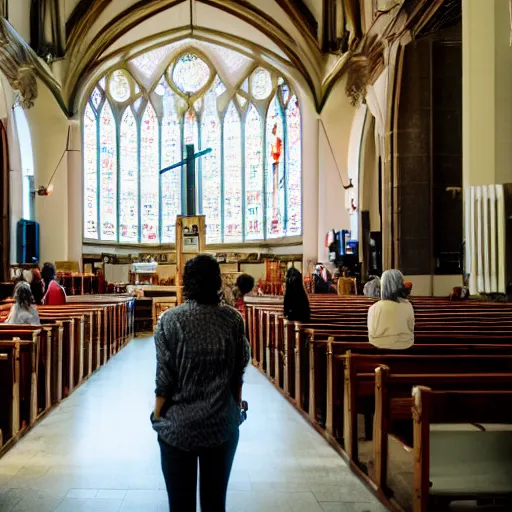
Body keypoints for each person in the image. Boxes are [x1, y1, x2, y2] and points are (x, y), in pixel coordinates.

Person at [151, 254, 251, 512]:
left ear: (186, 282)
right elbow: (237, 372)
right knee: (214, 503)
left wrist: (157, 416)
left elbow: (164, 379)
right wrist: (237, 408)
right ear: (217, 281)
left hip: (178, 428)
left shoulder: (169, 321)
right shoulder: (233, 320)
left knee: (180, 505)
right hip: (221, 425)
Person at [367, 269, 414, 349]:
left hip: (378, 347)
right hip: (405, 346)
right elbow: (411, 329)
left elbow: (371, 334)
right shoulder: (408, 305)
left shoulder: (374, 308)